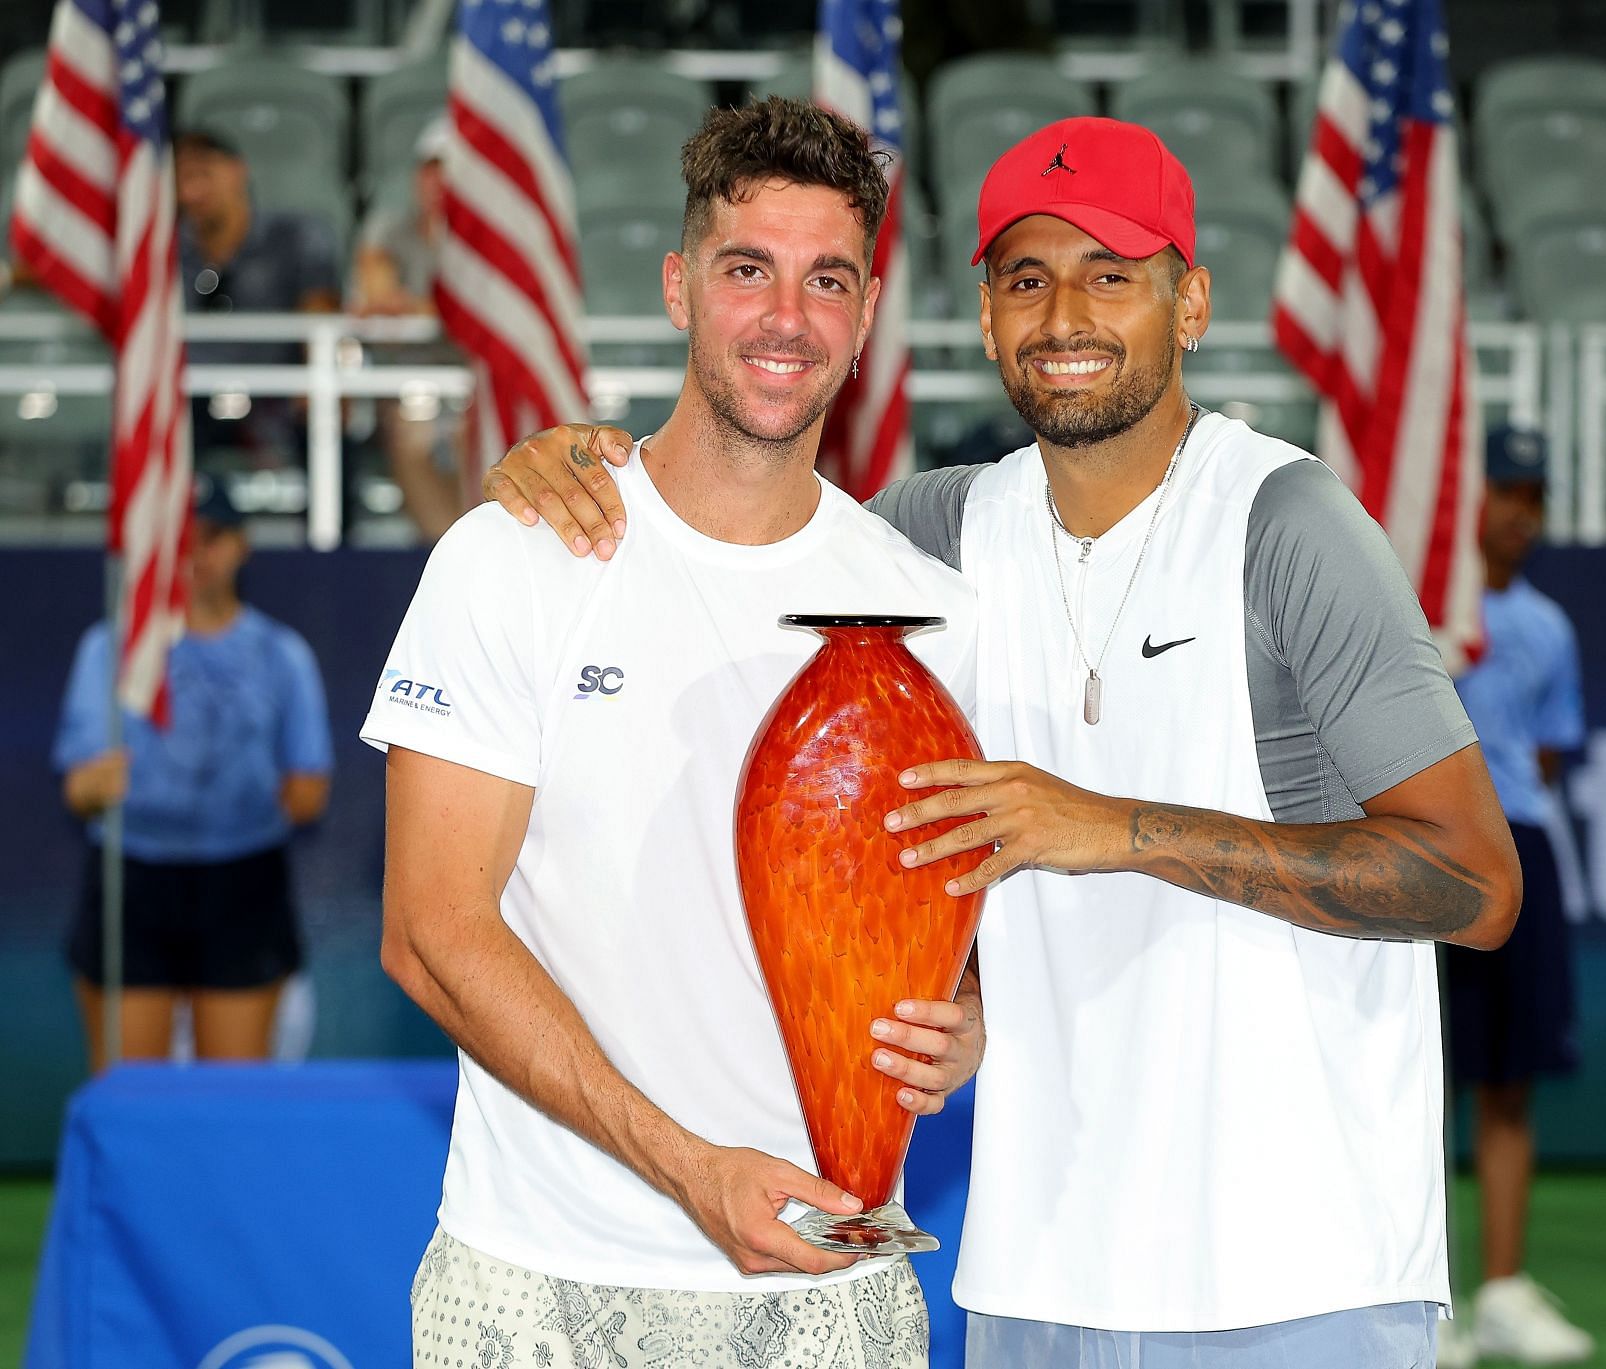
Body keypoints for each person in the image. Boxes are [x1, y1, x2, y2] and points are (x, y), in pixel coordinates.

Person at [488, 116, 1522, 1369]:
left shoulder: (1287, 522)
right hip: (1033, 1278)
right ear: (984, 318)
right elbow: (727, 540)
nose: (1065, 316)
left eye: (1113, 275)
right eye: (1026, 279)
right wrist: (578, 470)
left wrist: (1112, 829)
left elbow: (1473, 884)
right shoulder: (932, 531)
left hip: (1292, 1274)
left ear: (1188, 303)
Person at [363, 99, 984, 1369]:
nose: (785, 318)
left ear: (866, 318)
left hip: (827, 1285)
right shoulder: (516, 557)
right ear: (679, 286)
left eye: (829, 280)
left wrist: (974, 1024)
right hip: (537, 1283)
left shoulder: (936, 616)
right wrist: (691, 1169)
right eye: (746, 269)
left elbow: (953, 941)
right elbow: (431, 936)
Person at [53, 479, 332, 1070]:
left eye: (211, 539)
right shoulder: (109, 648)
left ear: (241, 546)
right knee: (128, 1094)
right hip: (133, 878)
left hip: (241, 882)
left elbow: (309, 789)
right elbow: (78, 787)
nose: (195, 556)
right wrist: (94, 787)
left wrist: (264, 796)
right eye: (179, 541)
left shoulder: (282, 655)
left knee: (232, 1095)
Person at [1433, 427, 1592, 1369]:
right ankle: (1432, 1300)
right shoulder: (1415, 607)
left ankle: (1499, 1291)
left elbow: (1544, 758)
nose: (1520, 513)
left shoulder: (1549, 627)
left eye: (1534, 494)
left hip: (1519, 850)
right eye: (1506, 489)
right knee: (1424, 1083)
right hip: (1419, 852)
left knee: (1507, 1084)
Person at [173, 128, 341, 469]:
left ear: (237, 170)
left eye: (203, 173)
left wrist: (318, 378)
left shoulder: (295, 236)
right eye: (181, 178)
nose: (192, 190)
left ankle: (331, 523)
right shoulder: (163, 248)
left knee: (326, 421)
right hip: (192, 402)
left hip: (278, 396)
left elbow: (319, 308)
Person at [349, 116, 471, 542]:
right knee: (410, 430)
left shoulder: (486, 242)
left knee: (473, 428)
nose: (438, 183)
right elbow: (375, 300)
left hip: (469, 383)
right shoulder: (389, 229)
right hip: (406, 384)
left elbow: (475, 312)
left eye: (450, 173)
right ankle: (450, 547)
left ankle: (473, 543)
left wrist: (420, 308)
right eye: (430, 171)